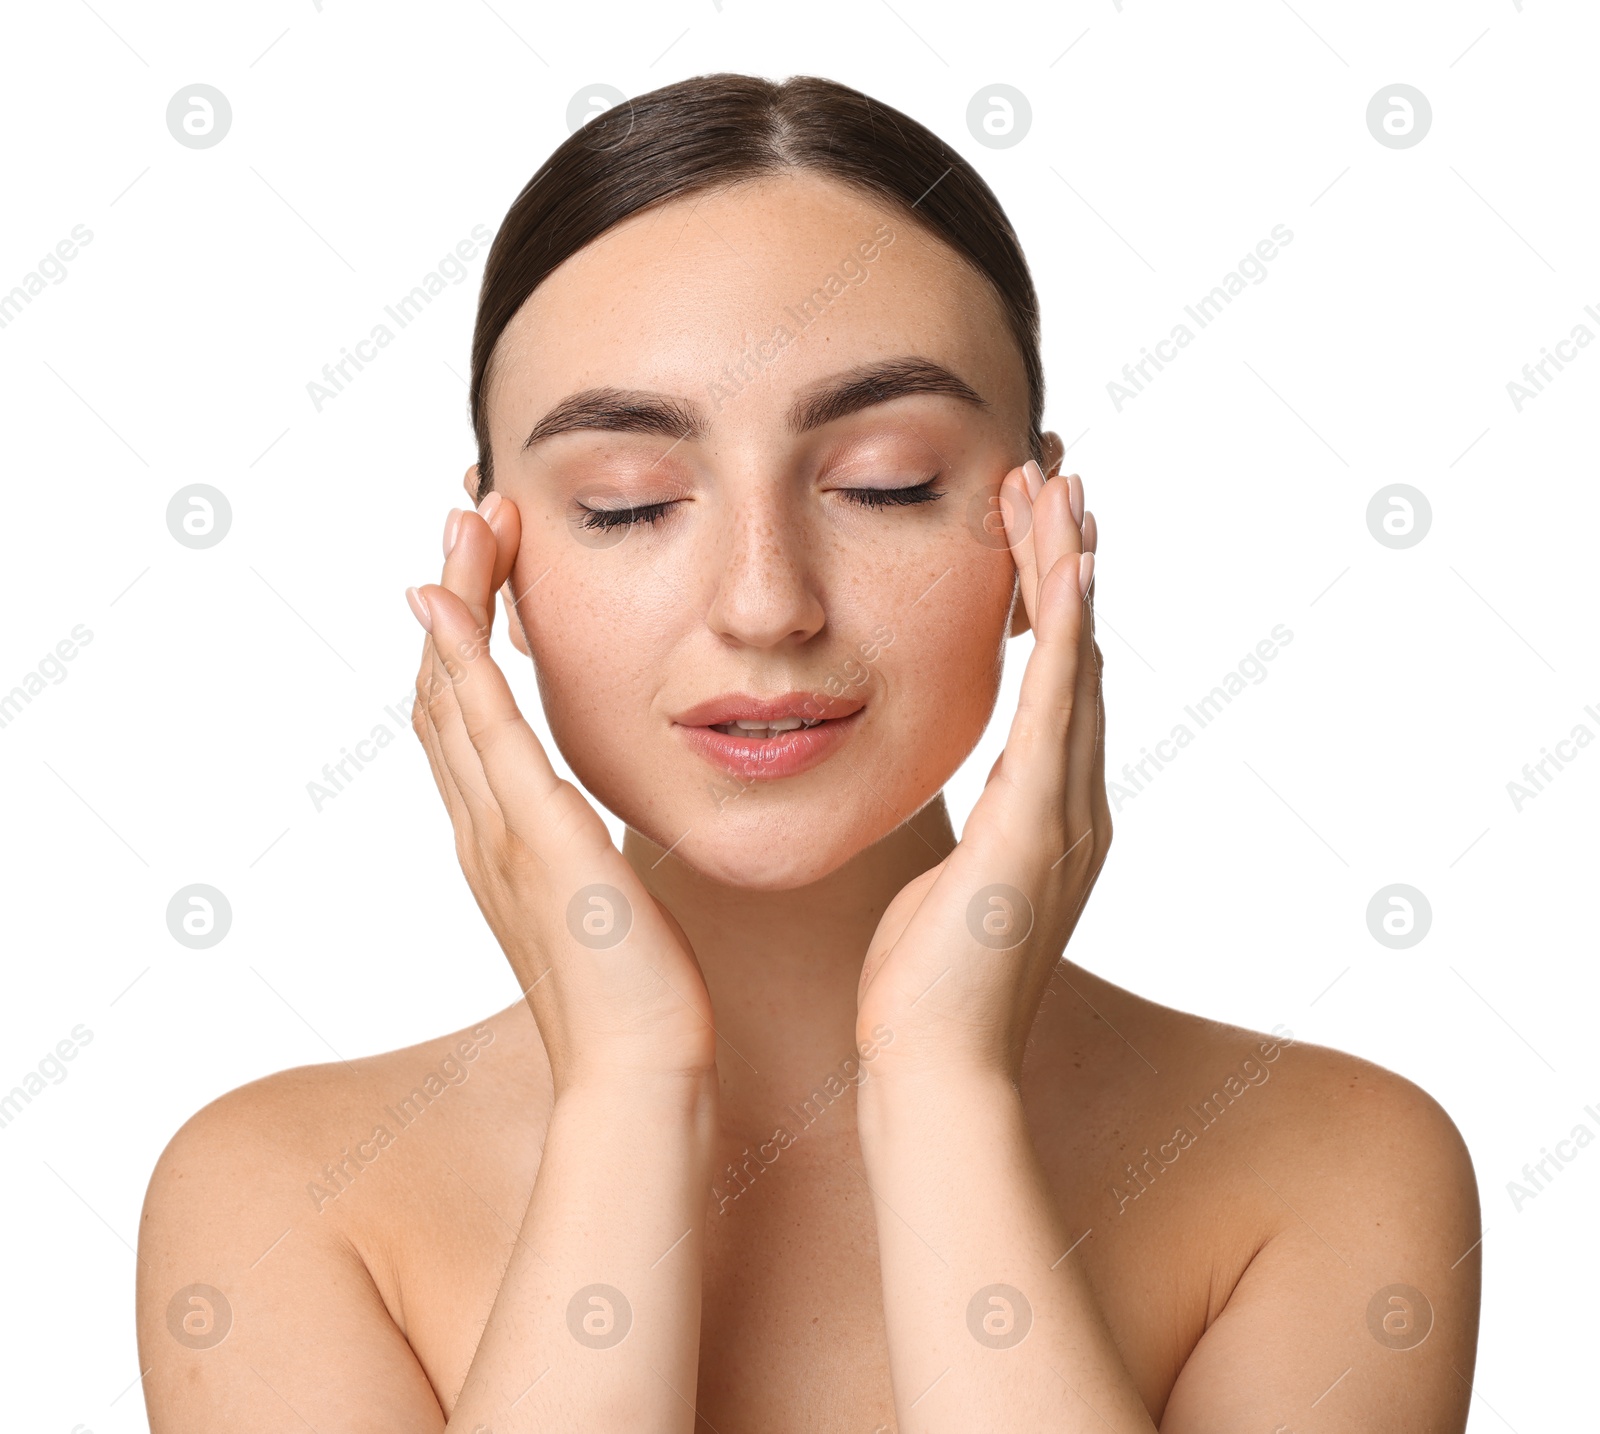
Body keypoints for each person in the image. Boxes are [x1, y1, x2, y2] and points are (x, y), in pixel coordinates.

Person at [135, 72, 1480, 1431]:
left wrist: (945, 1090)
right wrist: (629, 1090)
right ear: (498, 562)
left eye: (885, 481)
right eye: (630, 504)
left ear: (1039, 536)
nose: (766, 601)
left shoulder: (1331, 1167)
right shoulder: (281, 1200)